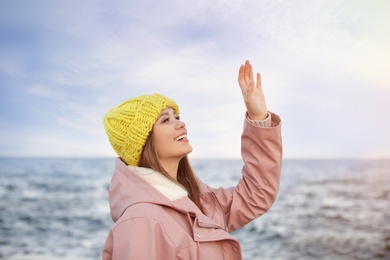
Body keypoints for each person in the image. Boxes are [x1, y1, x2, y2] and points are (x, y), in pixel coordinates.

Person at [102, 60, 282, 259]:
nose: (180, 123)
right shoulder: (141, 221)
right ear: (144, 142)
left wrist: (258, 116)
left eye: (176, 116)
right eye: (166, 120)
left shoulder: (196, 200)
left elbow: (256, 193)